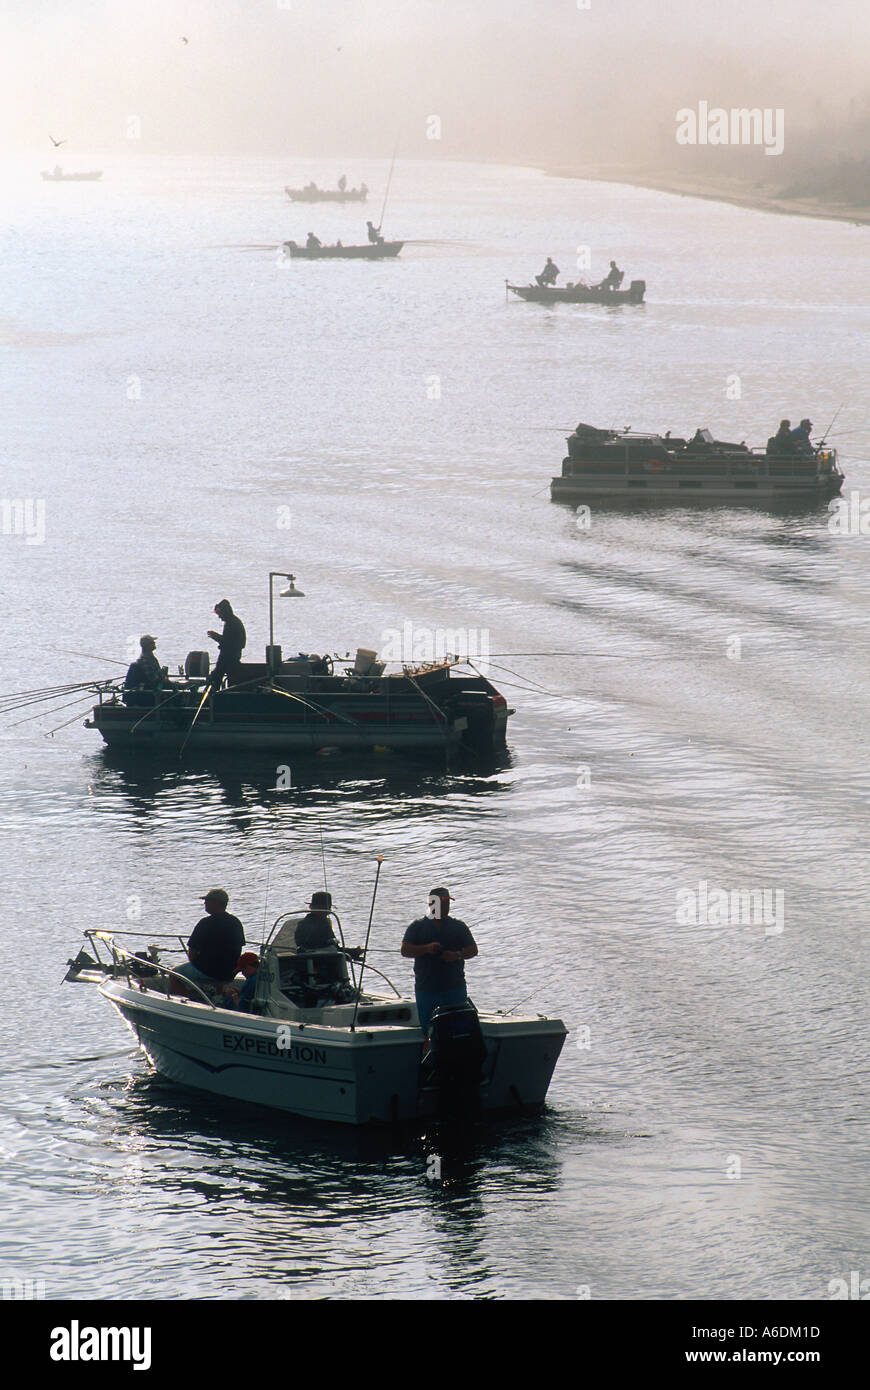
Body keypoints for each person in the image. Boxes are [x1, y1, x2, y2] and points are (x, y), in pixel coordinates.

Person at [401, 887, 478, 1036]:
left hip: (454, 989)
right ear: (431, 905)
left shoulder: (458, 927)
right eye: (442, 904)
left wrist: (457, 954)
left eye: (447, 903)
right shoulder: (418, 927)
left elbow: (473, 949)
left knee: (458, 1032)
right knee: (429, 1031)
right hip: (427, 990)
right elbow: (405, 950)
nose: (446, 907)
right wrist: (426, 948)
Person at [173, 889, 245, 991]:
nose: (205, 903)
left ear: (217, 903)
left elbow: (192, 951)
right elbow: (239, 949)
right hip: (229, 973)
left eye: (208, 900)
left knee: (174, 975)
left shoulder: (205, 923)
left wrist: (195, 965)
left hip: (208, 971)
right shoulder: (235, 922)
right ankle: (218, 994)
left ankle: (183, 1002)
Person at [207, 599, 246, 688]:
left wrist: (216, 637)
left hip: (229, 657)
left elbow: (228, 642)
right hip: (231, 656)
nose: (219, 617)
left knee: (216, 677)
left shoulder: (232, 623)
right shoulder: (233, 622)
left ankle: (213, 695)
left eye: (219, 614)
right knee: (218, 676)